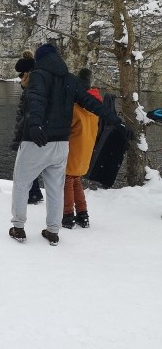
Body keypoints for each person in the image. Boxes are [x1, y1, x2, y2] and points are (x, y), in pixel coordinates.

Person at [9, 44, 123, 246]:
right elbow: (91, 102)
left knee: (21, 184)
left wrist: (35, 124)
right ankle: (53, 231)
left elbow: (36, 100)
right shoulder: (70, 79)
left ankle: (18, 227)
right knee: (55, 188)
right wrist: (115, 120)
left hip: (36, 139)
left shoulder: (39, 76)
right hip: (61, 144)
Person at [63, 68, 102, 229]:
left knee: (66, 182)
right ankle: (82, 214)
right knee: (76, 181)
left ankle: (67, 216)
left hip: (73, 150)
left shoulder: (75, 109)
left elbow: (65, 128)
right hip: (86, 152)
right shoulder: (95, 109)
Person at [11, 51, 44, 204]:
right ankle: (35, 192)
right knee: (32, 163)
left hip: (29, 131)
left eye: (22, 76)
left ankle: (32, 194)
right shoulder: (37, 87)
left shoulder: (31, 92)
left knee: (26, 164)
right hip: (33, 130)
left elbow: (26, 114)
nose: (21, 80)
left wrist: (19, 135)